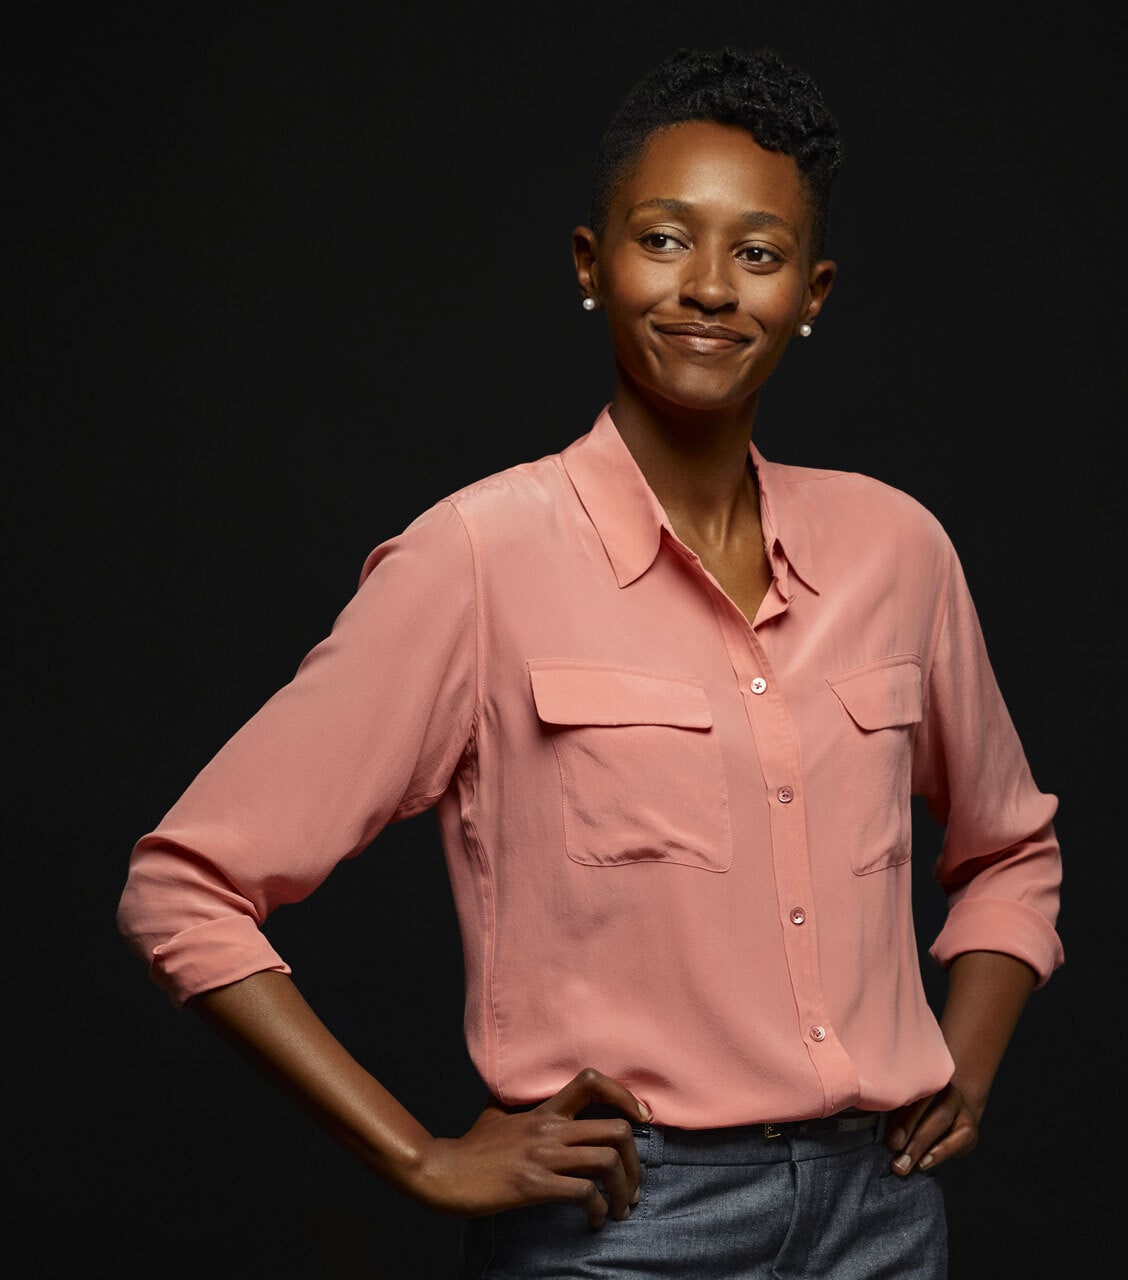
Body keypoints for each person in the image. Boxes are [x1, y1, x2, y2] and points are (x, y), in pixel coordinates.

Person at [117, 45, 1063, 1279]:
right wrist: (416, 1155)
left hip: (877, 1217)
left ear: (813, 292)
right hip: (623, 1225)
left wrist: (966, 1069)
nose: (711, 288)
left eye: (759, 254)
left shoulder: (899, 550)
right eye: (666, 239)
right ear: (590, 263)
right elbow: (186, 885)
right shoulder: (478, 557)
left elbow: (1006, 848)